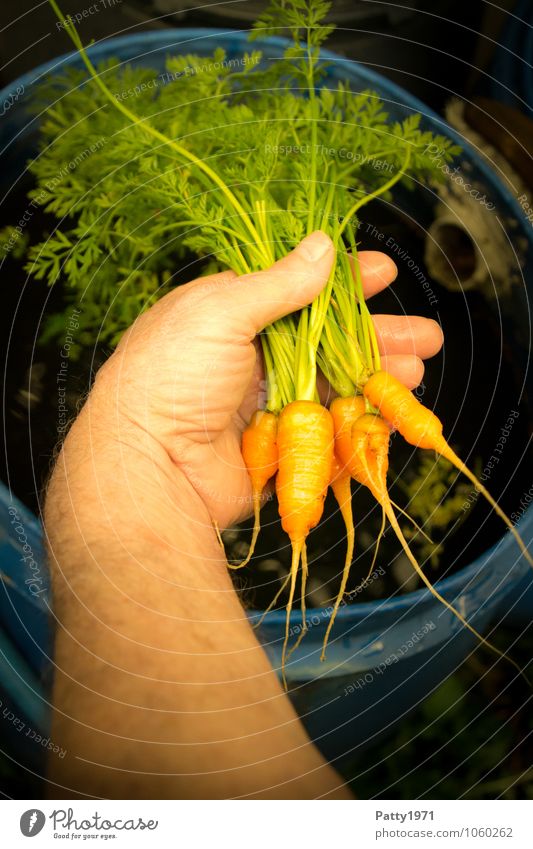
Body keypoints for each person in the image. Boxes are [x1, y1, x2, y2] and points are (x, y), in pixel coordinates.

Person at [44, 231, 443, 799]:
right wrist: (144, 443)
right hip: (289, 419)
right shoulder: (285, 421)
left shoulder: (338, 412)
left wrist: (139, 442)